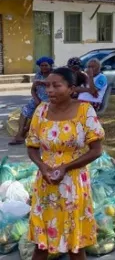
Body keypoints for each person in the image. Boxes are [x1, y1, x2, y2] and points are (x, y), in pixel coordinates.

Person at [26, 67, 104, 260]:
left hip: (74, 182)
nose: (50, 90)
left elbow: (96, 150)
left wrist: (65, 167)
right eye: (47, 86)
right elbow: (32, 146)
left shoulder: (85, 111)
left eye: (56, 85)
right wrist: (42, 166)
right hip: (46, 182)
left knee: (75, 245)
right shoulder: (41, 111)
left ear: (71, 88)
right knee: (41, 244)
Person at [9, 56, 54, 145]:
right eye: (41, 66)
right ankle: (19, 134)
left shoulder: (55, 74)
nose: (44, 67)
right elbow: (33, 89)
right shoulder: (38, 75)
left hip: (50, 99)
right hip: (38, 98)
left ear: (50, 66)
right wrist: (36, 99)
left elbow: (57, 85)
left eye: (46, 65)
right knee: (24, 111)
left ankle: (22, 134)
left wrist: (44, 83)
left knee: (37, 113)